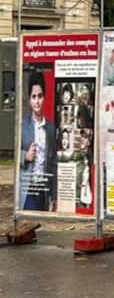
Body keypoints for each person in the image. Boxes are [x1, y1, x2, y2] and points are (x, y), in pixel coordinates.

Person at [20, 72, 56, 210]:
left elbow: (53, 164)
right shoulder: (23, 126)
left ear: (44, 97)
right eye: (33, 97)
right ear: (29, 99)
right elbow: (14, 154)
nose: (37, 101)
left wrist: (54, 196)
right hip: (28, 188)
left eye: (40, 96)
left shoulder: (51, 128)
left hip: (44, 190)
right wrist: (25, 156)